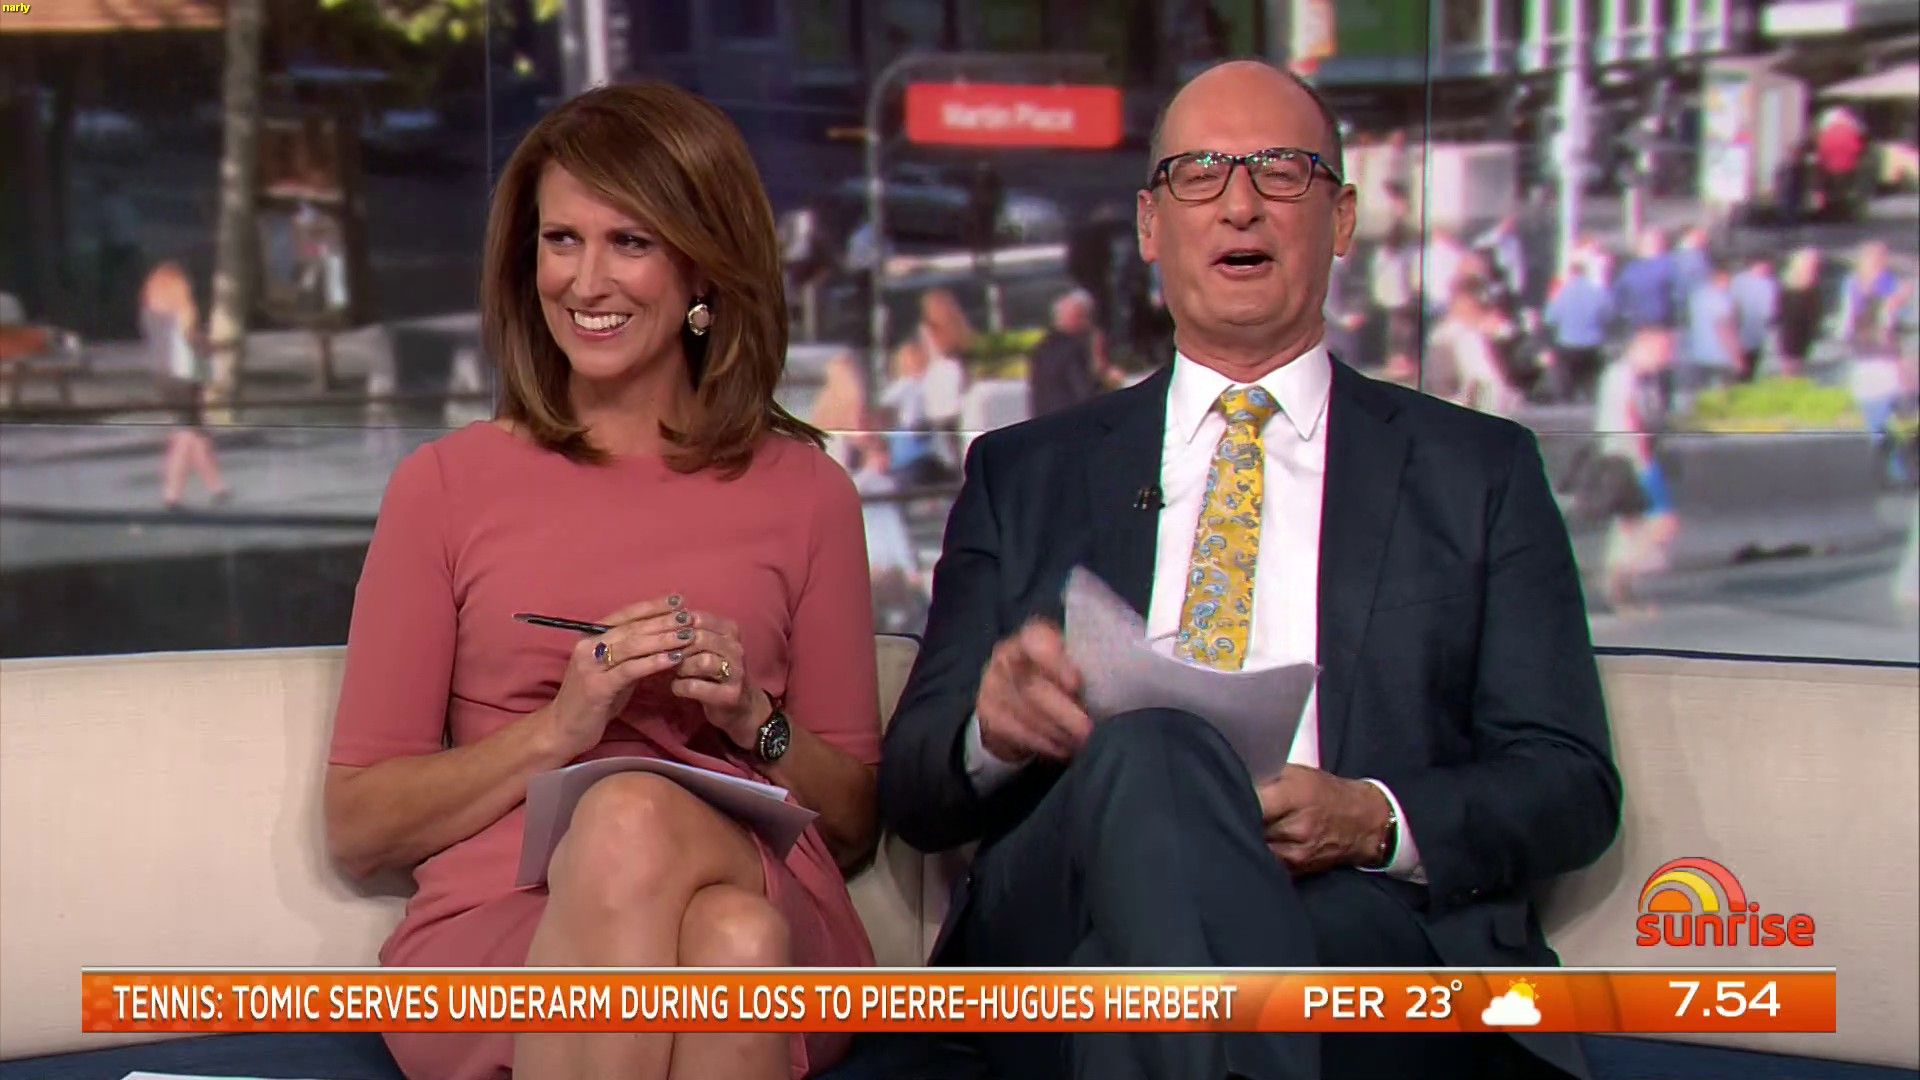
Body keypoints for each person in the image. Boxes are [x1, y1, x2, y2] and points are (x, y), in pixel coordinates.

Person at [879, 60, 1620, 1080]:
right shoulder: (1024, 473)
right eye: (1199, 174)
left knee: (1127, 988)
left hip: (1360, 919)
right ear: (1150, 226)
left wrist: (1373, 819)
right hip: (1062, 896)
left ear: (1341, 218)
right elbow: (914, 787)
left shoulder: (1476, 472)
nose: (1239, 203)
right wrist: (989, 734)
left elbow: (1570, 782)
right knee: (1153, 753)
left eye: (1280, 170)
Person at [322, 83, 882, 1080]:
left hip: (757, 871)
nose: (586, 280)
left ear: (704, 265)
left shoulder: (810, 493)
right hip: (506, 920)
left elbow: (852, 819)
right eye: (561, 241)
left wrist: (753, 717)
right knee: (731, 943)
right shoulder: (445, 487)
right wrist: (560, 730)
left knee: (641, 826)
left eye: (630, 242)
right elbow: (360, 824)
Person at [139, 261, 228, 509]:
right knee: (186, 432)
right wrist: (209, 348)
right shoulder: (182, 309)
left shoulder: (149, 311)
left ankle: (216, 486)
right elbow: (189, 338)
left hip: (160, 373)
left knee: (197, 428)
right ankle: (172, 493)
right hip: (183, 372)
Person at [1027, 287, 1110, 417]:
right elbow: (1085, 394)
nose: (1088, 323)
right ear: (1077, 317)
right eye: (1085, 317)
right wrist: (1102, 375)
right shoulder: (1072, 350)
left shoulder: (1042, 348)